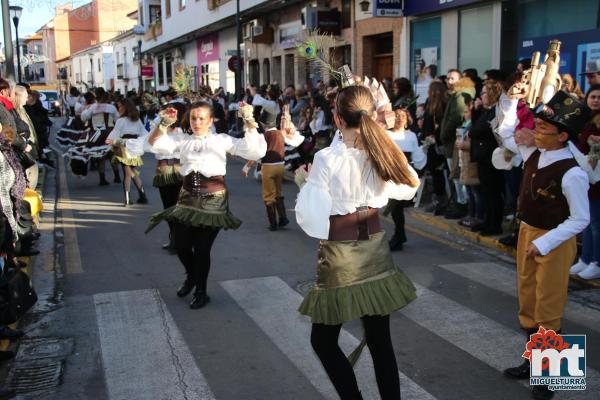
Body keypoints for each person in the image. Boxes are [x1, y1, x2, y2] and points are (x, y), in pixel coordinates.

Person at [295, 85, 419, 400]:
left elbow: (311, 218)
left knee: (322, 342)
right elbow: (409, 187)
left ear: (337, 119)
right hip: (375, 247)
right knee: (380, 341)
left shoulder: (325, 158)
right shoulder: (383, 149)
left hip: (341, 254)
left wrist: (303, 181)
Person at [500, 86, 590, 400]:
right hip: (529, 232)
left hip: (555, 239)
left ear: (563, 135)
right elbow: (505, 131)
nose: (535, 131)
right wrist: (511, 100)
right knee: (528, 303)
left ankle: (551, 381)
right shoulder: (534, 153)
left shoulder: (572, 173)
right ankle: (535, 363)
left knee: (548, 307)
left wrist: (546, 242)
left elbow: (581, 219)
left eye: (543, 128)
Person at [146, 101, 266, 309]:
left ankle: (201, 291)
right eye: (193, 118)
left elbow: (252, 150)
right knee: (181, 245)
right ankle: (192, 276)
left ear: (211, 120)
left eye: (202, 118)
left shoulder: (221, 140)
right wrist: (164, 123)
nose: (197, 122)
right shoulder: (183, 141)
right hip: (187, 197)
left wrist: (248, 120)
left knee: (201, 249)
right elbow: (154, 142)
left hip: (213, 199)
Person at [242, 104, 304, 231]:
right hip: (281, 166)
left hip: (268, 167)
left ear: (263, 124)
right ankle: (283, 218)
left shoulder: (262, 137)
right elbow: (295, 138)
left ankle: (273, 223)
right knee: (278, 192)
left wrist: (247, 167)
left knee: (268, 195)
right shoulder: (281, 133)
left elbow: (256, 153)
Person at [385, 108, 426, 251]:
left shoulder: (411, 135)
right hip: (392, 173)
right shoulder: (387, 134)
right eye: (396, 116)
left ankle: (399, 237)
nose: (399, 118)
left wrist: (420, 166)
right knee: (394, 208)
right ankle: (400, 235)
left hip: (405, 174)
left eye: (403, 116)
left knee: (397, 207)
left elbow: (416, 154)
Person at [571, 84, 600, 280]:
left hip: (597, 179)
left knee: (596, 223)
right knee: (587, 222)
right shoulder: (582, 119)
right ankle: (585, 258)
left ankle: (596, 261)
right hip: (584, 177)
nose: (596, 100)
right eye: (593, 96)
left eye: (599, 97)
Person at [469, 81, 505, 235]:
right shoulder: (485, 111)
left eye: (484, 93)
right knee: (487, 192)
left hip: (491, 158)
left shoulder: (496, 112)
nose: (481, 96)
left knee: (493, 193)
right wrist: (475, 111)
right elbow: (474, 127)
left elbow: (476, 131)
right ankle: (487, 221)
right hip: (483, 158)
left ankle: (494, 224)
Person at [440, 74, 476, 219]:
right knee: (457, 174)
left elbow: (455, 117)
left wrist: (444, 135)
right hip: (453, 141)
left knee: (457, 175)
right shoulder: (458, 95)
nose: (449, 82)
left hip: (454, 142)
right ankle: (461, 203)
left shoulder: (460, 96)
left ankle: (462, 204)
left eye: (452, 79)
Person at [105, 98, 149, 206]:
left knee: (127, 173)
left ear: (125, 107)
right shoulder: (137, 119)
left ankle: (128, 199)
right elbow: (144, 133)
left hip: (124, 147)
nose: (118, 108)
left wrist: (110, 142)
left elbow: (115, 133)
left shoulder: (121, 121)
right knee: (132, 171)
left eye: (120, 106)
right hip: (134, 146)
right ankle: (142, 196)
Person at [80, 88, 121, 185]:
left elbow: (83, 118)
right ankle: (117, 176)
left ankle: (102, 179)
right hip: (110, 133)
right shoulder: (112, 107)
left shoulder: (93, 107)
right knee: (112, 156)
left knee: (101, 156)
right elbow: (118, 120)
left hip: (97, 133)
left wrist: (85, 109)